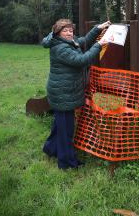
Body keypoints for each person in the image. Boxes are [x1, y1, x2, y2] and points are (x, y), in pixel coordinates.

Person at [41, 18, 110, 169]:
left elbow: (84, 40)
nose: (69, 33)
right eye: (65, 31)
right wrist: (99, 45)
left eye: (71, 30)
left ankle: (50, 148)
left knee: (60, 126)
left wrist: (98, 28)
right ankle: (67, 163)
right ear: (57, 33)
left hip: (63, 92)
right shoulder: (61, 48)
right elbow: (81, 60)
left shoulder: (68, 42)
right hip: (63, 94)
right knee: (66, 130)